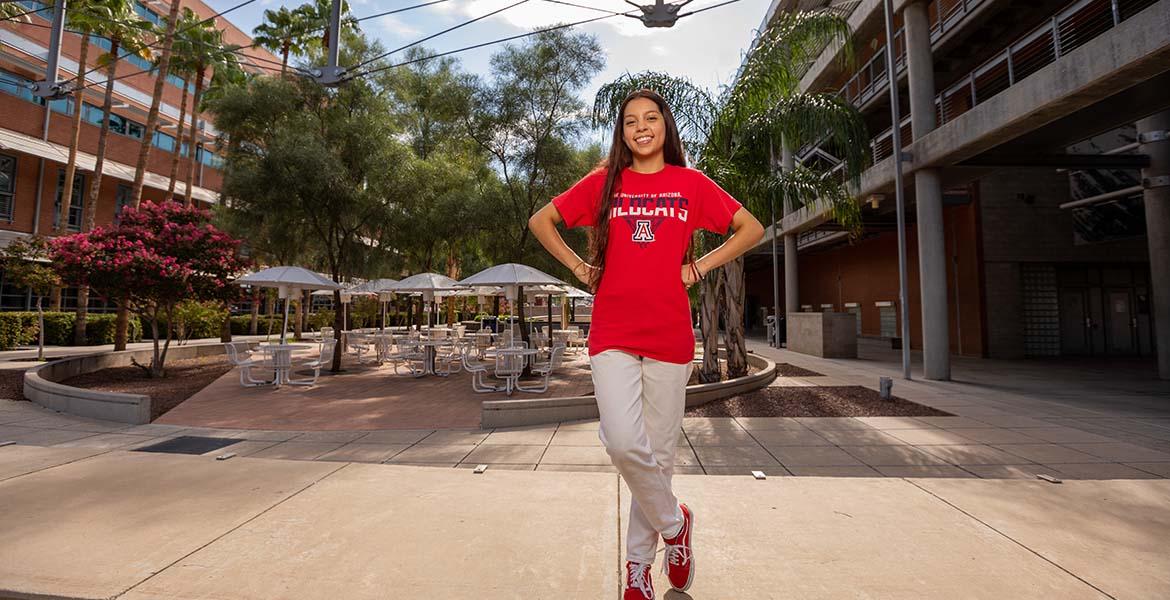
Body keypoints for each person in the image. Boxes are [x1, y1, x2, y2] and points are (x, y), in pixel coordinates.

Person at [528, 88, 764, 599]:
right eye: (630, 120)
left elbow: (751, 227)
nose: (641, 127)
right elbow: (540, 220)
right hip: (611, 328)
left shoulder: (690, 184)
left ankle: (639, 569)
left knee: (658, 453)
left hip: (668, 332)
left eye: (650, 118)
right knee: (622, 442)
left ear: (665, 127)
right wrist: (579, 268)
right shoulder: (605, 183)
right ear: (622, 133)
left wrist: (699, 266)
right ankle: (676, 526)